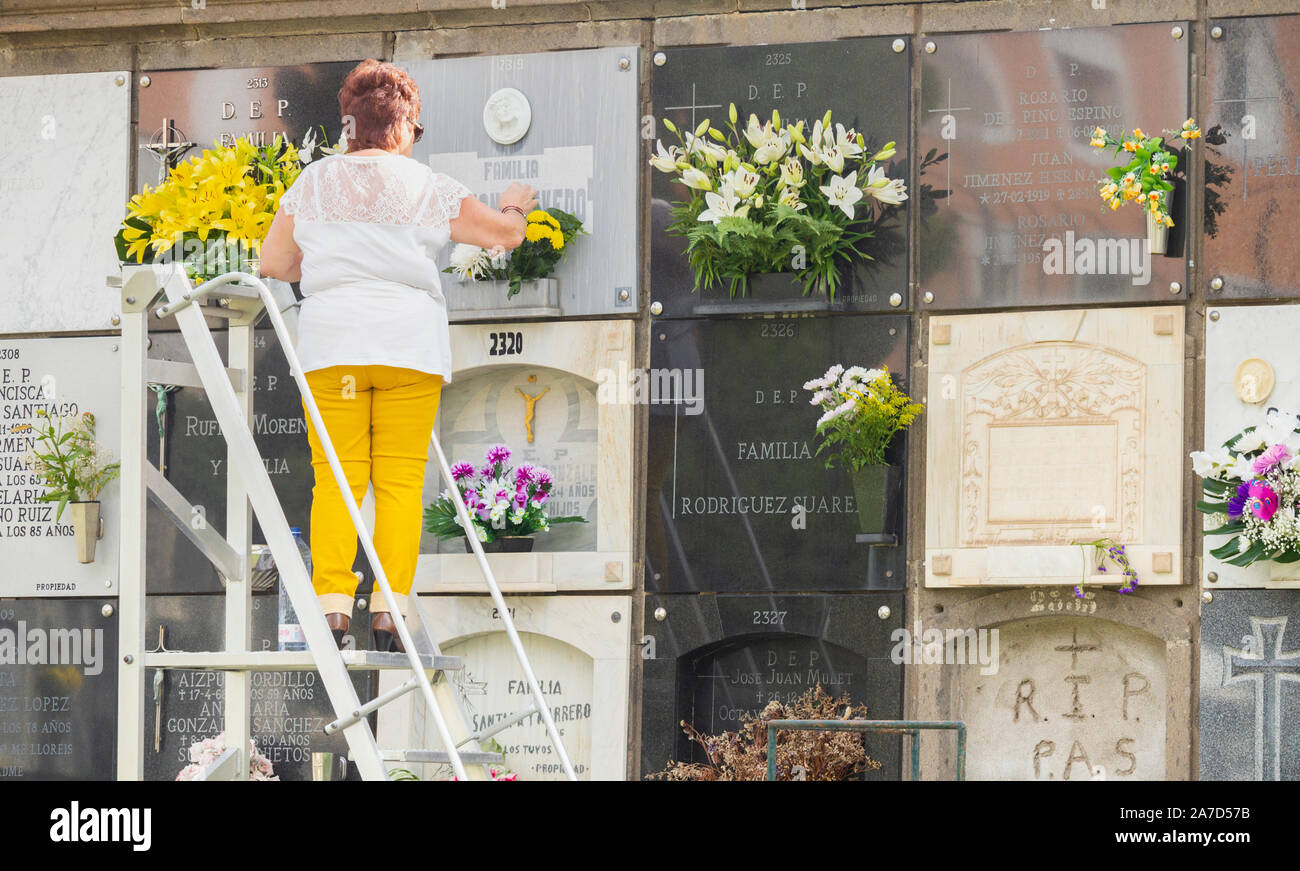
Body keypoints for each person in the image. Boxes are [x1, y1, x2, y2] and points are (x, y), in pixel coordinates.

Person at [259, 58, 538, 651]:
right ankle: (390, 611)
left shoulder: (311, 183)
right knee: (400, 484)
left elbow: (274, 264)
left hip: (334, 346)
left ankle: (333, 609)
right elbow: (504, 236)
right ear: (406, 126)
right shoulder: (428, 186)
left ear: (348, 125)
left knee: (335, 480)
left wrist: (334, 261)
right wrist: (515, 202)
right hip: (408, 347)